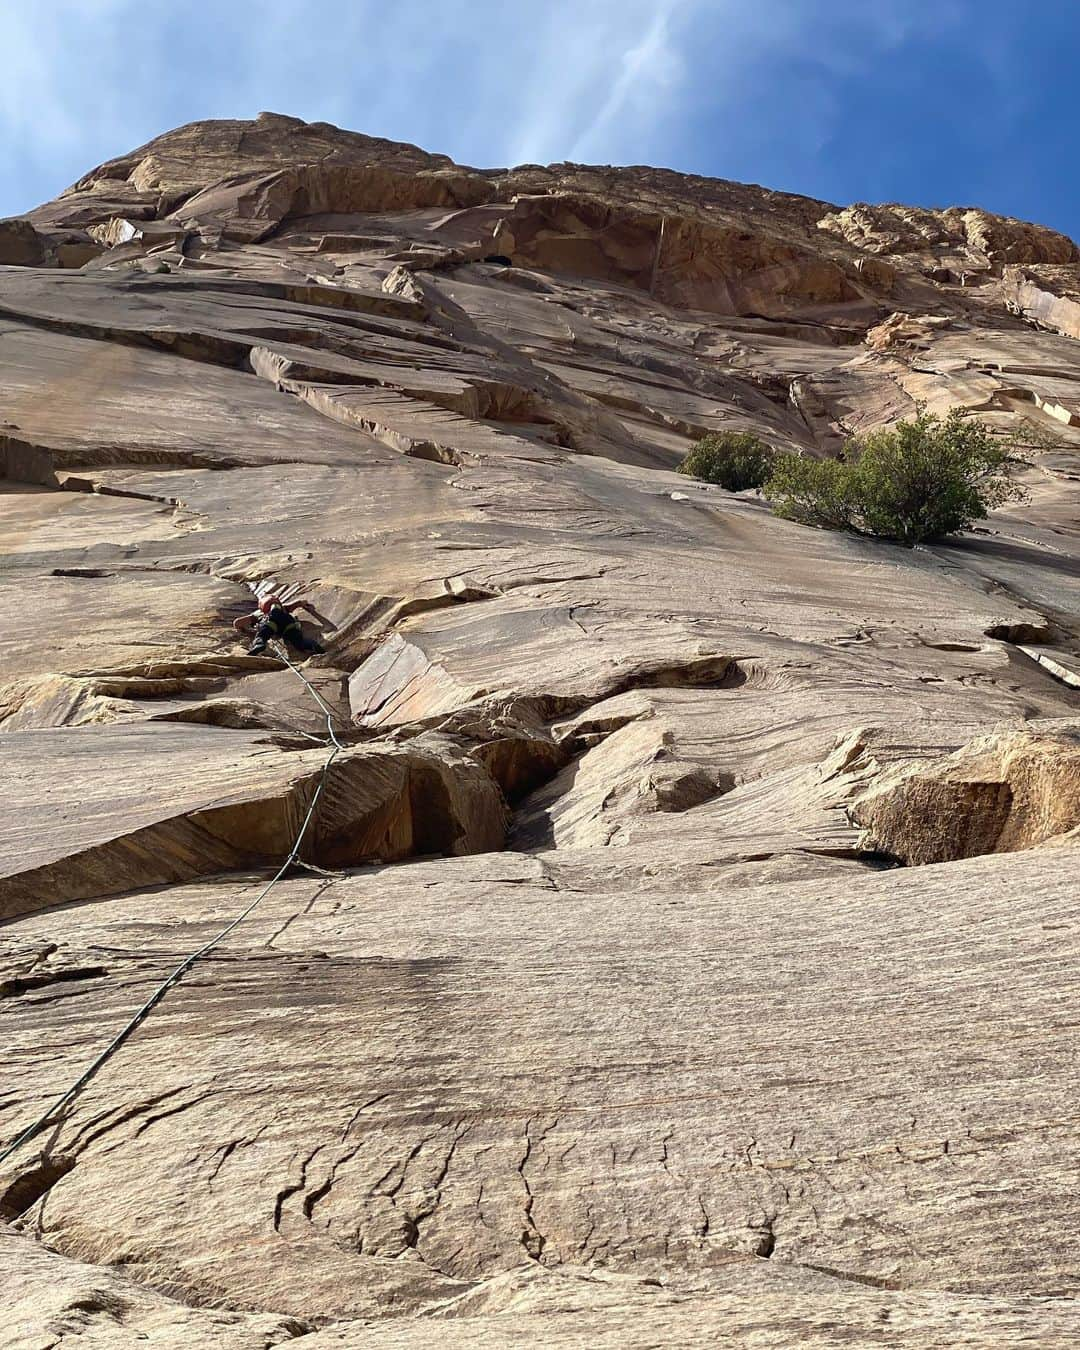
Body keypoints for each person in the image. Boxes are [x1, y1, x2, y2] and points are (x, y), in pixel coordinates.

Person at [233, 594, 331, 656]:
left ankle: (259, 644)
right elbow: (300, 602)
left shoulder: (258, 614)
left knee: (263, 634)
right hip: (288, 623)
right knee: (298, 641)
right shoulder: (284, 608)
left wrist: (245, 630)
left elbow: (237, 623)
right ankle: (312, 645)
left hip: (272, 623)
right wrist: (308, 605)